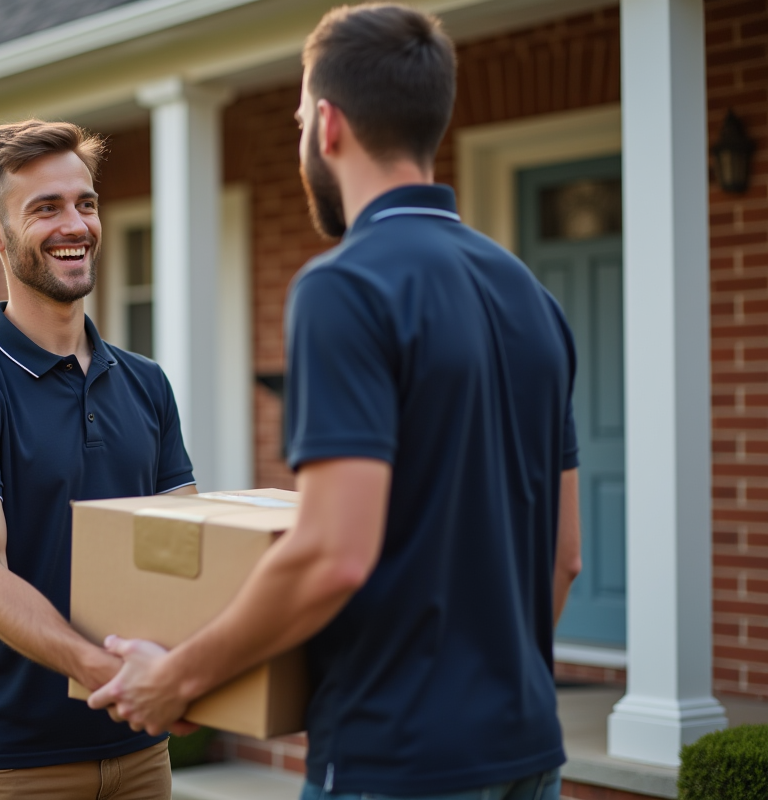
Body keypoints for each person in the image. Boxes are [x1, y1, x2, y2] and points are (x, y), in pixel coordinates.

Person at [88, 5, 583, 800]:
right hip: (528, 752)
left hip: (398, 761)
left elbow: (332, 554)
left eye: (297, 123)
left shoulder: (346, 287)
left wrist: (177, 678)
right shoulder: (533, 299)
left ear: (327, 125)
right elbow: (564, 557)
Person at [0, 119, 197, 800]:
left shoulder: (147, 383)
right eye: (46, 208)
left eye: (85, 203)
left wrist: (198, 669)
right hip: (11, 766)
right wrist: (111, 676)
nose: (76, 225)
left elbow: (186, 544)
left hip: (141, 755)